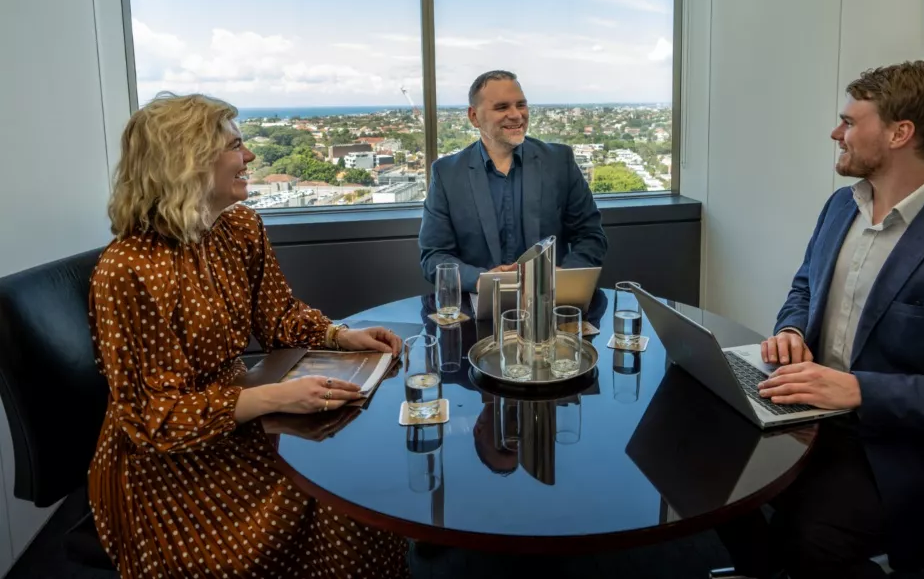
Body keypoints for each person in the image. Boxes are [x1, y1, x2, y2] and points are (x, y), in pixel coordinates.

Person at [727, 62, 924, 579]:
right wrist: (791, 330)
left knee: (809, 536)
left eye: (850, 122)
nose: (836, 133)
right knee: (710, 465)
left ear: (899, 133)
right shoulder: (840, 207)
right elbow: (804, 287)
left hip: (899, 453)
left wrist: (857, 390)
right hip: (812, 417)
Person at [88, 93, 409, 578]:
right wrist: (274, 398)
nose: (251, 156)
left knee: (358, 478)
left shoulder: (239, 226)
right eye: (236, 146)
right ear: (188, 161)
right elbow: (155, 420)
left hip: (243, 414)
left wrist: (341, 336)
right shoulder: (126, 269)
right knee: (339, 504)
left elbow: (279, 317)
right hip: (171, 466)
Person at [419, 70, 607, 292]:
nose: (516, 115)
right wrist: (481, 280)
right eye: (502, 107)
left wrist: (565, 275)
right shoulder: (447, 174)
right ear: (474, 117)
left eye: (521, 105)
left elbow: (590, 236)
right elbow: (434, 256)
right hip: (479, 303)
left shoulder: (559, 161)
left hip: (550, 300)